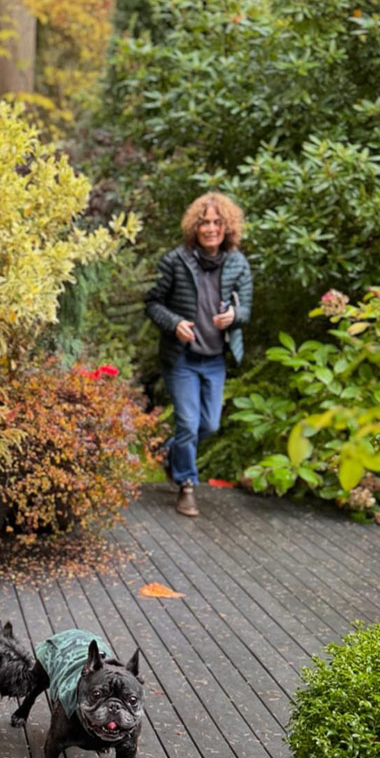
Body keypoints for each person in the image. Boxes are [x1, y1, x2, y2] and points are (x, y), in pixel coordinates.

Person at [144, 192, 252, 518]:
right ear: (195, 226)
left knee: (210, 424)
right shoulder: (174, 261)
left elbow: (246, 308)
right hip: (182, 358)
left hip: (215, 358)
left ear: (227, 227)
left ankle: (168, 453)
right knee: (188, 423)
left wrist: (234, 315)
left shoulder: (237, 263)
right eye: (204, 222)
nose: (210, 228)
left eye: (217, 222)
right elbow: (152, 303)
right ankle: (187, 486)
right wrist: (174, 322)